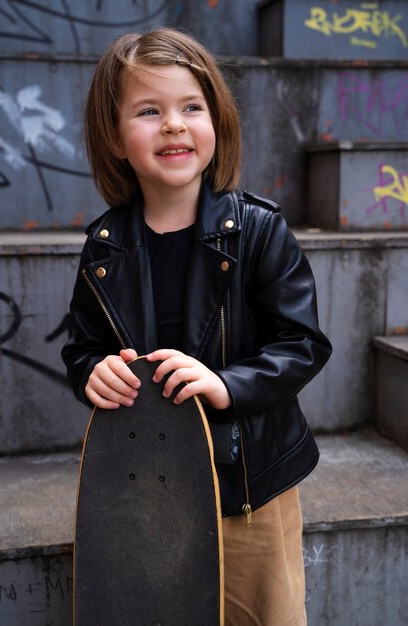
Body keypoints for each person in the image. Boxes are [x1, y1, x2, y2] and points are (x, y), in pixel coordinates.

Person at [62, 27, 332, 626]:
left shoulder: (259, 230)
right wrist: (93, 372)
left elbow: (304, 343)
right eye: (149, 110)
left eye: (191, 107)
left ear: (218, 121)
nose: (174, 125)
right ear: (113, 134)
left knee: (264, 616)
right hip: (146, 496)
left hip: (249, 489)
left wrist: (228, 385)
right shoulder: (104, 247)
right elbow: (83, 347)